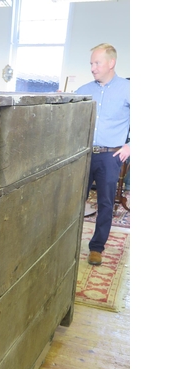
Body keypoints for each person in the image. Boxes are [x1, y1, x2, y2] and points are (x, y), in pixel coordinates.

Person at [76, 43, 130, 266]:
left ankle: (96, 248)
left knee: (105, 203)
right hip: (84, 153)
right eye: (91, 63)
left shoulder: (128, 89)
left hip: (110, 156)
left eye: (97, 63)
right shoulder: (84, 89)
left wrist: (131, 145)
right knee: (75, 201)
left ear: (111, 63)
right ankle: (68, 241)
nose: (92, 68)